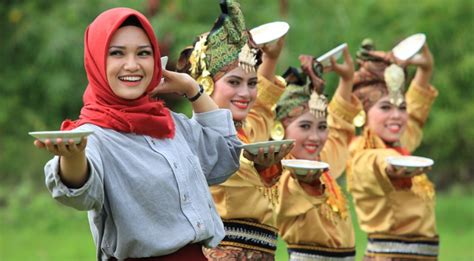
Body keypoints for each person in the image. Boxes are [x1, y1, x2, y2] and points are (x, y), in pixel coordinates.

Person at [33, 7, 242, 260]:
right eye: (117, 53)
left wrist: (192, 89)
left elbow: (226, 157)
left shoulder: (169, 124)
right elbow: (78, 194)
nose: (132, 65)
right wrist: (72, 156)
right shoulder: (92, 135)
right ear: (97, 61)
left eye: (143, 53)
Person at [176, 0, 291, 259]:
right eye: (234, 82)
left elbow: (261, 105)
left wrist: (270, 58)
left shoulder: (248, 129)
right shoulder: (196, 136)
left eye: (252, 83)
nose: (246, 93)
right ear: (205, 83)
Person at [346, 39, 439, 260]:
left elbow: (415, 116)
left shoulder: (400, 144)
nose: (396, 115)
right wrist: (390, 167)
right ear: (363, 112)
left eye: (401, 107)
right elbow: (374, 163)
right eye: (385, 107)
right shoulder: (359, 152)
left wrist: (425, 70)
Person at [274, 47, 361, 260]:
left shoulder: (322, 162)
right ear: (280, 129)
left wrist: (347, 80)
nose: (315, 137)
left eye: (322, 127)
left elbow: (339, 128)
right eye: (304, 126)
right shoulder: (276, 173)